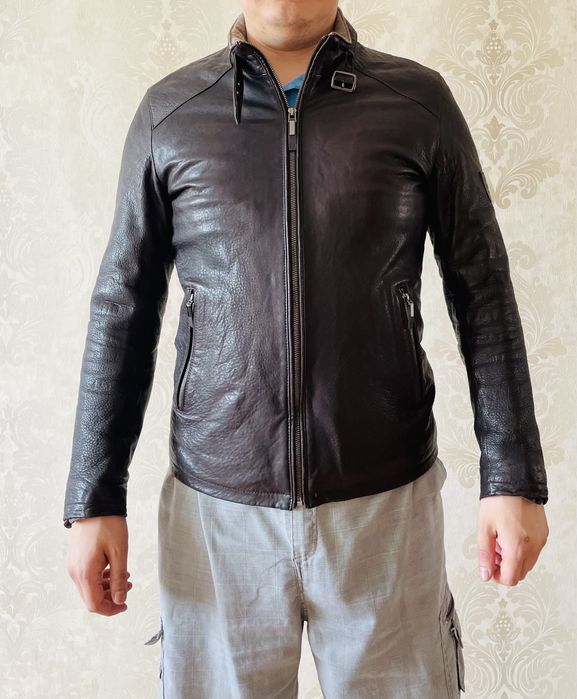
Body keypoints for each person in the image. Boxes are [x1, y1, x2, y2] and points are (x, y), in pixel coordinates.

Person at [64, 2, 549, 697]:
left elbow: (483, 290)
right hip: (216, 515)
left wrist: (511, 478)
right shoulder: (171, 113)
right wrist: (93, 496)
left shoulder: (417, 103)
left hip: (385, 503)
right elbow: (123, 307)